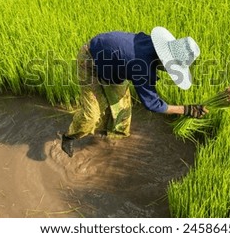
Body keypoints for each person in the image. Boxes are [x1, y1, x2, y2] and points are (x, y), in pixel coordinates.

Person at [62, 26, 208, 157]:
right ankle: (69, 136)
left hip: (115, 67)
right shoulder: (141, 66)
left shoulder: (150, 46)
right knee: (91, 115)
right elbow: (152, 104)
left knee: (122, 111)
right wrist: (185, 109)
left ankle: (113, 140)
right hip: (90, 61)